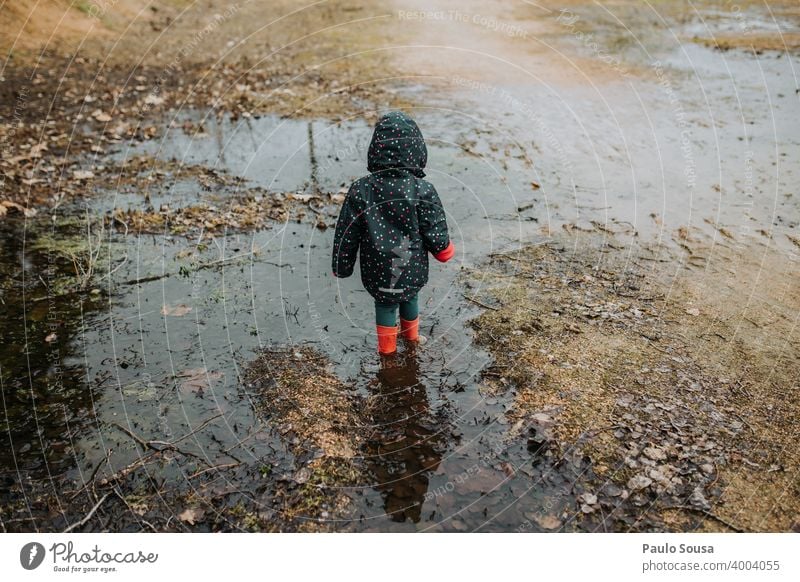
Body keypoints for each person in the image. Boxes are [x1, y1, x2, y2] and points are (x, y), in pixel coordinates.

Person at [331, 111, 455, 354]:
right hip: (411, 265)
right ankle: (412, 338)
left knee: (385, 305)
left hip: (377, 267)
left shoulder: (361, 189)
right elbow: (434, 226)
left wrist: (341, 264)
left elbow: (347, 231)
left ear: (375, 150)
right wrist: (443, 250)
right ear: (418, 151)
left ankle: (387, 351)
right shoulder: (422, 189)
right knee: (410, 298)